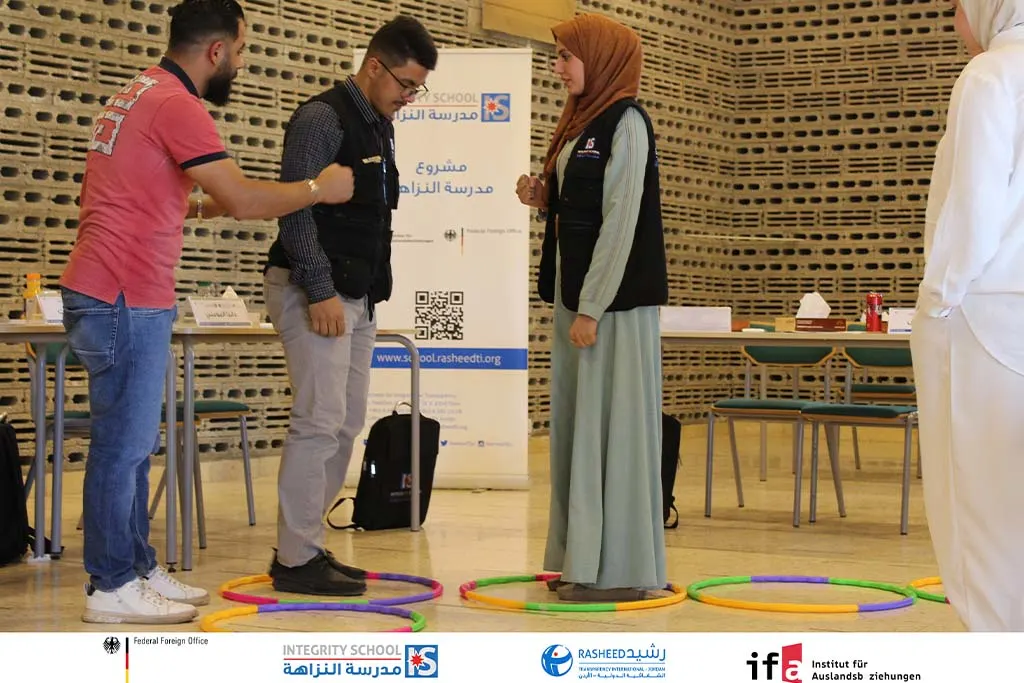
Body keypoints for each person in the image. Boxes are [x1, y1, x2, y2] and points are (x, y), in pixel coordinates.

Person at [60, 0, 356, 625]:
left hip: (113, 289)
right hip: (123, 294)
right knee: (122, 447)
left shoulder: (140, 92)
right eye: (242, 51)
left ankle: (136, 568)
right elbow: (245, 200)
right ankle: (110, 585)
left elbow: (138, 192)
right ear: (217, 50)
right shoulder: (178, 105)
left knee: (133, 445)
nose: (241, 64)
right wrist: (317, 189)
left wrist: (200, 206)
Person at [261, 16, 436, 596]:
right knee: (317, 421)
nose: (409, 98)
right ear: (374, 66)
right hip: (317, 289)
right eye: (405, 85)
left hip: (359, 294)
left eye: (417, 89)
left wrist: (364, 296)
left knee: (344, 422)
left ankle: (306, 545)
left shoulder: (380, 126)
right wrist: (320, 291)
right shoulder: (323, 118)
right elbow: (294, 210)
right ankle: (295, 559)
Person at [515, 13, 669, 602]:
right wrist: (545, 198)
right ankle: (582, 560)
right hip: (578, 301)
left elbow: (621, 223)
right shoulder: (582, 122)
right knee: (580, 433)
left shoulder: (626, 122)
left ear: (600, 60)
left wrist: (592, 308)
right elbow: (586, 203)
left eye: (565, 56)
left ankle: (620, 570)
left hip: (612, 310)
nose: (557, 68)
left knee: (615, 433)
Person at [910, 0, 1024, 631]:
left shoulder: (989, 75)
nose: (955, 19)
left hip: (980, 324)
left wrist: (937, 299)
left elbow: (973, 211)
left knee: (974, 511)